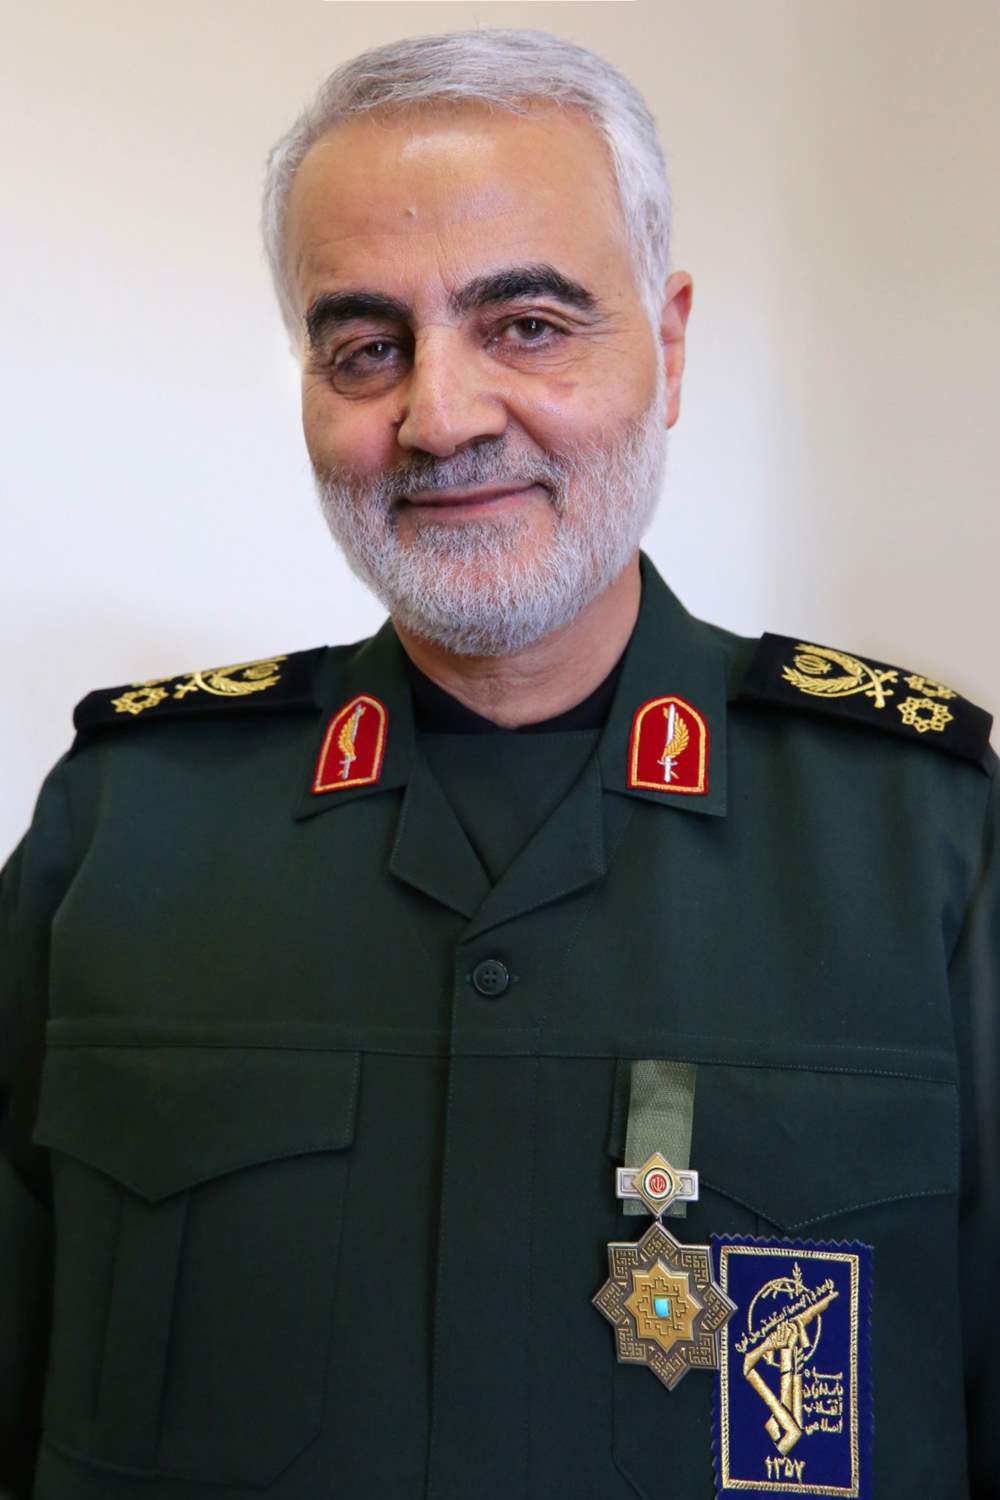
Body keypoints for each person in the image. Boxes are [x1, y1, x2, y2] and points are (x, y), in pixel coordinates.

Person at [1, 27, 995, 1500]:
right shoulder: (120, 831)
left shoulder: (927, 848)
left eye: (527, 324)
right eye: (367, 347)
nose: (442, 416)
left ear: (669, 347)